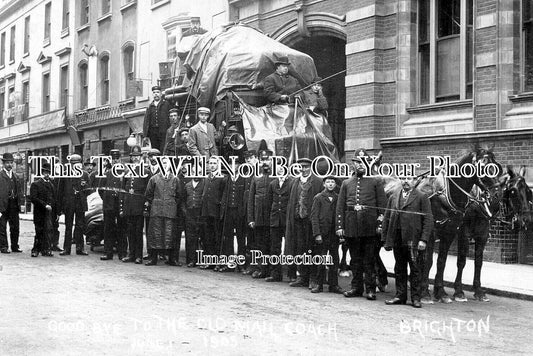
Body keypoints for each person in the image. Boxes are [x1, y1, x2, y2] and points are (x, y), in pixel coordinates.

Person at [335, 148, 386, 300]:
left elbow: (382, 206)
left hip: (369, 227)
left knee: (369, 260)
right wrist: (340, 226)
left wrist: (379, 224)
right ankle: (356, 288)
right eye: (358, 162)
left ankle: (370, 289)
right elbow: (340, 206)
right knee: (355, 260)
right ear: (354, 164)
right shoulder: (346, 183)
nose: (361, 165)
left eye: (364, 162)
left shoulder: (376, 182)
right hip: (352, 227)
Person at [382, 176, 433, 308]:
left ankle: (416, 298)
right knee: (399, 267)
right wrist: (386, 239)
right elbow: (387, 217)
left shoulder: (422, 197)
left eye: (409, 178)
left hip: (413, 239)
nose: (406, 181)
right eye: (403, 178)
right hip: (397, 237)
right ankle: (400, 296)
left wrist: (423, 239)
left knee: (415, 268)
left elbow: (428, 220)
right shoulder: (394, 196)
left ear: (415, 181)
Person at [285, 158, 323, 287]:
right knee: (300, 249)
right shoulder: (295, 182)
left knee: (312, 249)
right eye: (301, 167)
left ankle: (313, 278)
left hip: (310, 221)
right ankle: (302, 276)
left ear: (311, 167)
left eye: (306, 167)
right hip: (297, 221)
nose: (304, 169)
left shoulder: (318, 182)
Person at [144, 158, 183, 266]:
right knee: (155, 234)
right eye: (162, 163)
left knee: (170, 235)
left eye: (166, 163)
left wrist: (171, 203)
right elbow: (148, 195)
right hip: (156, 211)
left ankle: (172, 259)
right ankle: (153, 258)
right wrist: (157, 203)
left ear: (170, 166)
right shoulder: (154, 179)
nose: (164, 165)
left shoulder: (175, 179)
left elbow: (179, 196)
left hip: (170, 211)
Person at [310, 176, 344, 294]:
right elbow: (314, 217)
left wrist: (340, 233)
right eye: (328, 182)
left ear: (335, 184)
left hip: (333, 234)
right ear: (324, 184)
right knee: (321, 259)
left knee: (334, 259)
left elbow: (341, 216)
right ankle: (318, 284)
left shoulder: (338, 198)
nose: (330, 184)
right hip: (322, 234)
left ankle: (333, 285)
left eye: (332, 182)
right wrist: (317, 234)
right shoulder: (318, 198)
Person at [121, 146, 151, 264]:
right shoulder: (127, 171)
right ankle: (131, 254)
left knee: (138, 231)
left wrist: (146, 206)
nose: (135, 159)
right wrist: (123, 205)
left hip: (139, 205)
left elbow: (148, 191)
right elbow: (123, 189)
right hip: (129, 205)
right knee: (130, 231)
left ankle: (139, 256)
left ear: (141, 157)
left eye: (137, 156)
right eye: (133, 157)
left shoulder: (146, 172)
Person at [247, 150, 274, 278]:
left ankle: (272, 271)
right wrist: (251, 218)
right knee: (259, 244)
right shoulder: (256, 177)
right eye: (262, 160)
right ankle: (260, 269)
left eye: (267, 159)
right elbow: (251, 200)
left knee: (272, 245)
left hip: (272, 218)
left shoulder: (276, 176)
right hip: (258, 218)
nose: (265, 162)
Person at [58, 154, 89, 256]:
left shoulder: (84, 175)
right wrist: (61, 207)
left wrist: (84, 188)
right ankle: (67, 249)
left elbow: (89, 190)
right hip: (69, 204)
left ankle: (80, 248)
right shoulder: (65, 175)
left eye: (78, 164)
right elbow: (60, 191)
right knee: (68, 226)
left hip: (80, 203)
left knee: (80, 226)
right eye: (74, 164)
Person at [264, 172, 292, 282]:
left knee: (289, 247)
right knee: (274, 247)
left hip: (287, 220)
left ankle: (291, 274)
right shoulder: (273, 184)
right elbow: (268, 202)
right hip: (275, 220)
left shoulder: (291, 183)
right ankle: (275, 274)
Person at [100, 149, 127, 261]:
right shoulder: (106, 173)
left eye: (117, 158)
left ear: (120, 159)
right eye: (113, 159)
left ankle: (122, 253)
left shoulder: (125, 173)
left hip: (120, 205)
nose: (115, 161)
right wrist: (107, 199)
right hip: (109, 205)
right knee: (108, 229)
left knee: (122, 229)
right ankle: (108, 252)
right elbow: (100, 189)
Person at [199, 156, 226, 270]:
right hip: (206, 212)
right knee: (207, 237)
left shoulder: (223, 178)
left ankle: (218, 262)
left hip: (216, 212)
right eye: (210, 163)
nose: (212, 165)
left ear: (218, 165)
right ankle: (210, 261)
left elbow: (223, 197)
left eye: (214, 163)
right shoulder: (206, 178)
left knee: (217, 237)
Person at [219, 166, 246, 272]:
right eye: (231, 164)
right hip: (228, 212)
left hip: (239, 213)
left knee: (241, 238)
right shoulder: (226, 179)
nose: (233, 167)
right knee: (228, 238)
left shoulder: (244, 178)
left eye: (236, 164)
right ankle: (229, 264)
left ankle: (241, 264)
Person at [29, 162, 57, 257]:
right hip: (39, 212)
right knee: (39, 231)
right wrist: (45, 205)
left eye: (49, 172)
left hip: (50, 213)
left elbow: (55, 199)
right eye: (45, 172)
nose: (47, 174)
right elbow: (33, 198)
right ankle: (35, 250)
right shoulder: (36, 184)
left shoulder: (52, 185)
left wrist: (57, 212)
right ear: (42, 172)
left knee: (48, 231)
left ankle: (46, 250)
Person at [0, 152, 22, 254]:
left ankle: (15, 246)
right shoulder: (0, 176)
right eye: (7, 163)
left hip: (14, 204)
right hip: (3, 205)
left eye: (11, 162)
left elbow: (19, 191)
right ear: (3, 163)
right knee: (2, 227)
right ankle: (3, 246)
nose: (9, 164)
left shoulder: (15, 176)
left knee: (15, 227)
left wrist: (19, 203)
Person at [183, 166, 205, 267]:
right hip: (189, 214)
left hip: (201, 214)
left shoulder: (204, 184)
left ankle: (201, 259)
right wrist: (186, 212)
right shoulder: (187, 185)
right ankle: (191, 260)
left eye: (199, 172)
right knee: (190, 238)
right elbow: (182, 201)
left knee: (202, 237)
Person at [242, 150, 258, 275]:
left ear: (256, 158)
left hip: (257, 211)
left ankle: (256, 266)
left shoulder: (261, 172)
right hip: (247, 210)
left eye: (251, 158)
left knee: (257, 240)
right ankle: (249, 265)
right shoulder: (246, 172)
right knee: (250, 240)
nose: (248, 160)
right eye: (246, 158)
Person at [143, 85, 171, 152]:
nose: (156, 94)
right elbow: (146, 121)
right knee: (155, 150)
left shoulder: (166, 104)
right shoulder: (150, 106)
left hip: (163, 131)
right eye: (154, 92)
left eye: (158, 92)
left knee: (164, 149)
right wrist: (145, 135)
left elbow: (169, 118)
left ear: (161, 94)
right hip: (153, 133)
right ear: (152, 94)